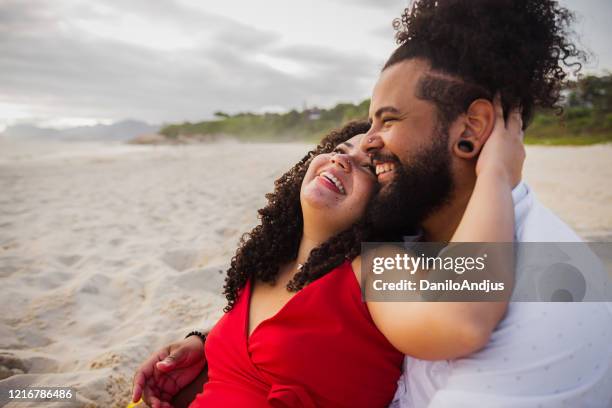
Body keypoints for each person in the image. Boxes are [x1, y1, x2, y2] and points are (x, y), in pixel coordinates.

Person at [132, 101, 525, 407]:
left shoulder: (373, 268)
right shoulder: (269, 261)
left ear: (387, 202)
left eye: (367, 168)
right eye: (340, 149)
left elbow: (463, 322)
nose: (342, 160)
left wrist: (497, 173)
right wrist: (201, 343)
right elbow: (254, 349)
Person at [359, 0, 612, 406]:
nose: (367, 141)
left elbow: (457, 320)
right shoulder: (400, 232)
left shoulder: (552, 297)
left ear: (471, 129)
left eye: (388, 120)